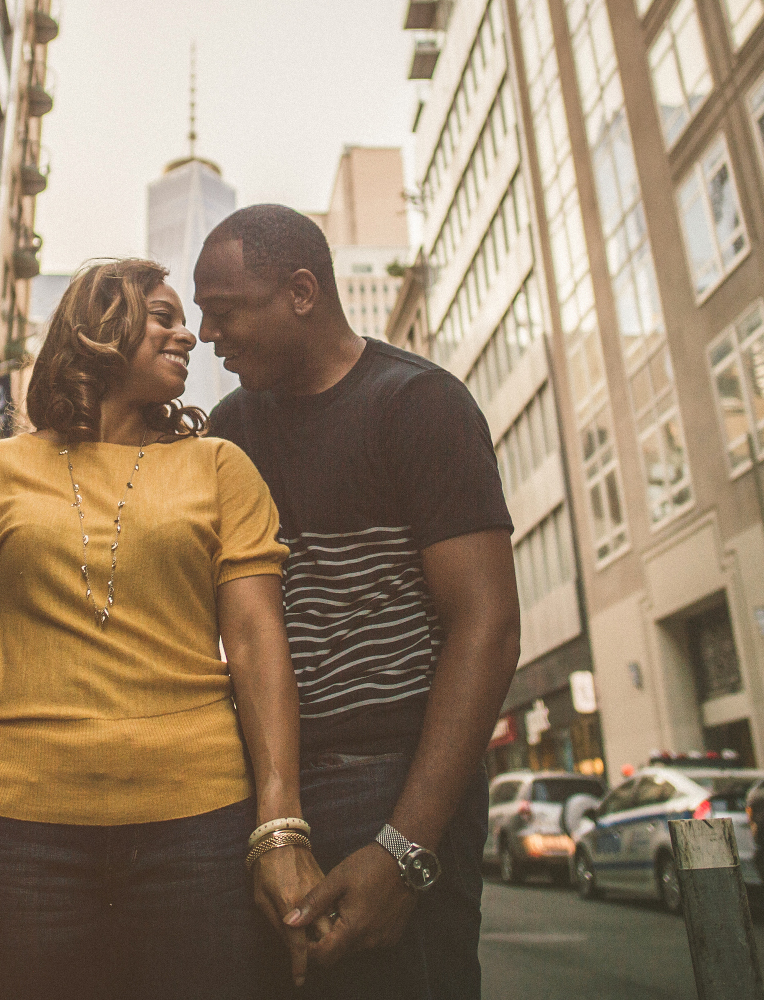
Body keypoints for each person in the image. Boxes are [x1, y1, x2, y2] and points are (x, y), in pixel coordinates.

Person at [0, 259, 323, 998]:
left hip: (199, 828)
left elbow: (256, 645)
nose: (189, 335)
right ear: (100, 325)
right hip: (20, 839)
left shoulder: (219, 467)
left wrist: (280, 827)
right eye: (165, 316)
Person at [193, 204, 520, 999]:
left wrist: (403, 849)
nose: (208, 336)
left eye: (224, 312)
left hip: (398, 778)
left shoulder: (421, 404)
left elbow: (488, 625)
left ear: (302, 291)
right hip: (273, 792)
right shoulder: (230, 429)